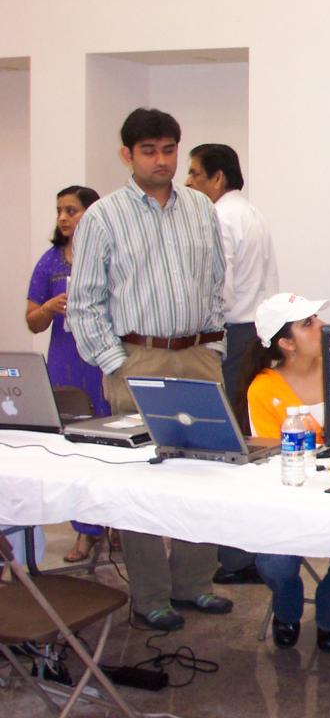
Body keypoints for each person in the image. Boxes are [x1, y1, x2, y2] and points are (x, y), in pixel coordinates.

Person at [69, 107, 231, 632]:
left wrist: (215, 345)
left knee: (206, 472)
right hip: (137, 357)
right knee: (142, 477)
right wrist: (115, 363)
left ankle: (194, 583)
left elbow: (215, 282)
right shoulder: (103, 217)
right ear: (127, 155)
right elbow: (84, 302)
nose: (161, 161)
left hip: (197, 354)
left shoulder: (201, 208)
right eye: (149, 151)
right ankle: (151, 595)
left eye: (168, 150)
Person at [242, 292, 330, 653]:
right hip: (291, 498)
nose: (322, 326)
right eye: (308, 323)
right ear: (286, 343)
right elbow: (272, 456)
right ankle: (287, 606)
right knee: (273, 563)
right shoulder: (264, 388)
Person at [186, 142, 278, 586]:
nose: (188, 182)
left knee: (227, 446)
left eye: (194, 173)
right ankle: (250, 552)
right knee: (246, 439)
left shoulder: (219, 216)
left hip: (231, 333)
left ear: (217, 178)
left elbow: (217, 286)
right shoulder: (252, 213)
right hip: (257, 332)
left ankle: (236, 556)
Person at [25, 185, 112, 563]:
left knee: (108, 442)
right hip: (65, 361)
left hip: (103, 360)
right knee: (72, 446)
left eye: (71, 210)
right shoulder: (50, 262)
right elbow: (32, 321)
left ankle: (115, 523)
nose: (63, 217)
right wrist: (48, 307)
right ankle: (85, 530)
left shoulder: (111, 257)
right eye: (60, 210)